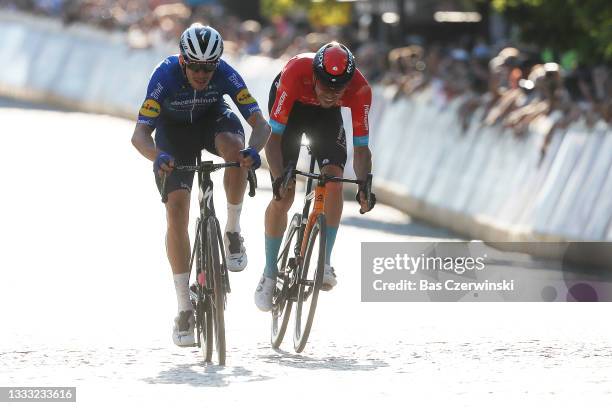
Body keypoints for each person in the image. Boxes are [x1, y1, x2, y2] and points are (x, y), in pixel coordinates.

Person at [131, 23, 270, 345]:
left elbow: (260, 124)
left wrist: (254, 150)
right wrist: (156, 156)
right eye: (195, 67)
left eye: (209, 68)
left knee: (235, 150)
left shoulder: (227, 74)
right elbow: (139, 135)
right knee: (177, 211)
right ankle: (183, 307)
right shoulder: (164, 76)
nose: (202, 74)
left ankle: (232, 230)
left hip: (212, 122)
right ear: (183, 61)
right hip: (173, 134)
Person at [254, 42, 376, 312]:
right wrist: (278, 178)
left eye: (338, 89)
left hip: (325, 120)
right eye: (326, 87)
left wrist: (365, 184)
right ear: (315, 77)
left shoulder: (360, 89)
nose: (332, 94)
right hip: (291, 111)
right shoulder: (297, 71)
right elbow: (272, 139)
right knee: (283, 197)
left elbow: (361, 147)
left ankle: (325, 262)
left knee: (333, 178)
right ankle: (270, 272)